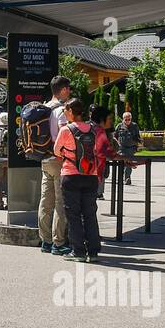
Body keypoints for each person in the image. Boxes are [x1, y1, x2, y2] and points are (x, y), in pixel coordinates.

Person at [55, 98, 102, 262]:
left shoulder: (66, 130)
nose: (64, 113)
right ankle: (94, 252)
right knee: (90, 213)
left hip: (71, 175)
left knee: (73, 215)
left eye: (65, 111)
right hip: (91, 175)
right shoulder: (93, 129)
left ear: (71, 112)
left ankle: (79, 252)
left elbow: (56, 150)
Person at [38, 76, 72, 254]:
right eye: (69, 88)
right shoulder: (61, 111)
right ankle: (59, 243)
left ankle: (45, 241)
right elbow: (63, 135)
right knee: (60, 202)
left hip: (44, 158)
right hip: (58, 159)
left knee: (45, 201)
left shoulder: (44, 107)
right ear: (63, 90)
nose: (70, 91)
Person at [114, 111, 141, 186]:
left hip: (131, 148)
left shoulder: (135, 126)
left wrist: (137, 145)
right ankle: (121, 177)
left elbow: (138, 137)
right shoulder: (119, 126)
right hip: (121, 148)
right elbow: (114, 136)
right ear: (123, 119)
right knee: (122, 163)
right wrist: (116, 144)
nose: (127, 121)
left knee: (129, 163)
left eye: (129, 119)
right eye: (126, 119)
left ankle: (127, 178)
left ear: (131, 119)